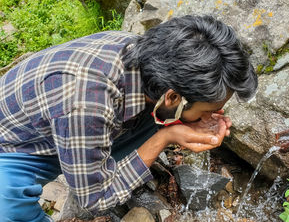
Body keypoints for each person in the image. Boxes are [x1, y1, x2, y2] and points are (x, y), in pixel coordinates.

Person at [0, 15, 258, 221]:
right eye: (205, 111)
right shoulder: (86, 103)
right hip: (18, 145)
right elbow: (94, 198)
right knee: (10, 209)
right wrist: (166, 136)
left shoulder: (150, 56)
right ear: (172, 97)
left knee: (162, 118)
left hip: (73, 125)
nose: (211, 117)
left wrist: (188, 120)